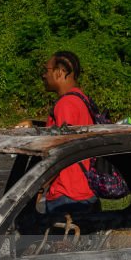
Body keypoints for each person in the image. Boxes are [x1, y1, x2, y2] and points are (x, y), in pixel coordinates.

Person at [39, 51, 98, 214]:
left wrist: (39, 186)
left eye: (46, 70)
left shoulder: (66, 105)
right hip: (83, 190)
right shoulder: (80, 99)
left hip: (66, 194)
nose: (44, 76)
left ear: (61, 71)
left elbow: (61, 151)